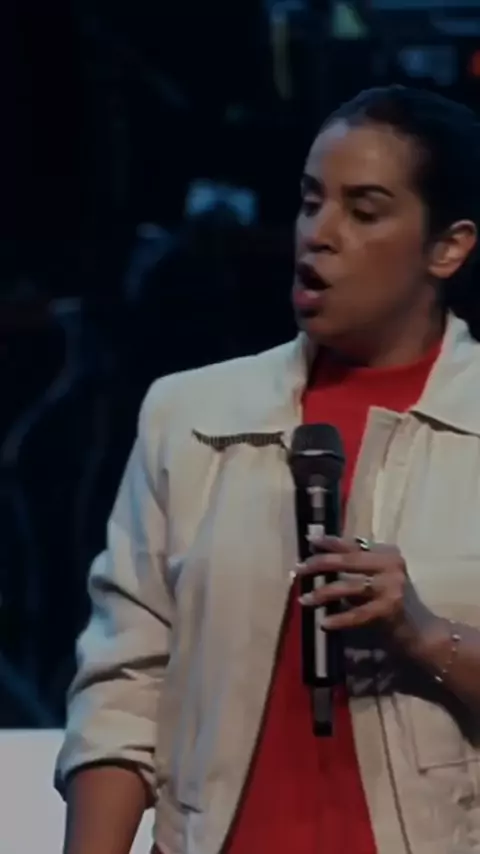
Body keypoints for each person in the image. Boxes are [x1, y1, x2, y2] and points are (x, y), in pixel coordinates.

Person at [57, 84, 480, 854]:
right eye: (311, 202)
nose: (319, 234)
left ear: (447, 248)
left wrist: (426, 635)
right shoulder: (191, 415)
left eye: (364, 211)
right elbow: (123, 685)